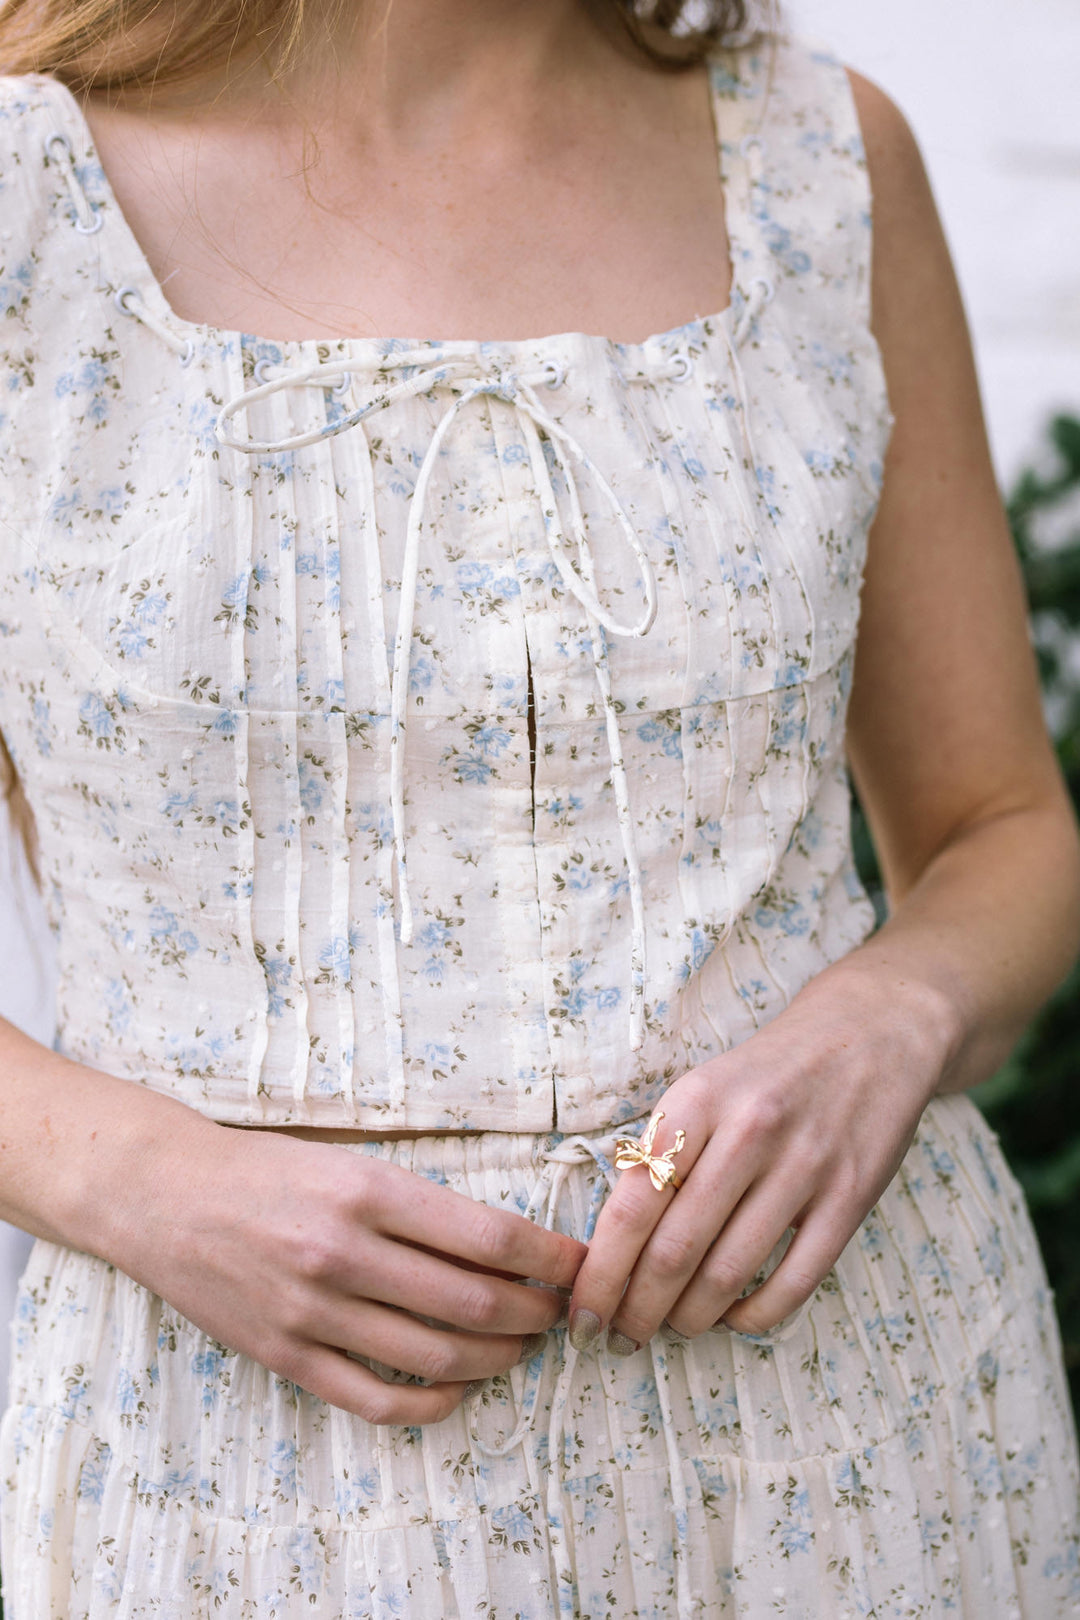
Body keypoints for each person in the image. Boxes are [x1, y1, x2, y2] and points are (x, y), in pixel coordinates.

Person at [0, 0, 1077, 1613]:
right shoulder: (23, 194)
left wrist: (887, 1025)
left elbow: (1002, 821)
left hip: (851, 1446)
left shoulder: (825, 161)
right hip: (237, 1485)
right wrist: (138, 1182)